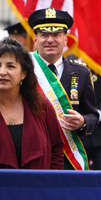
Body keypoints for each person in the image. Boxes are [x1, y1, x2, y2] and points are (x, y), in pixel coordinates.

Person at [27, 8, 99, 170]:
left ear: (66, 39)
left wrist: (83, 122)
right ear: (35, 39)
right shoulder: (23, 69)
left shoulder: (81, 72)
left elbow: (92, 116)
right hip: (33, 154)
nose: (50, 40)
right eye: (44, 35)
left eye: (56, 35)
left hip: (69, 158)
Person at [0, 38, 64, 169]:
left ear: (23, 73)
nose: (2, 72)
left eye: (10, 66)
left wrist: (48, 183)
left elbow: (56, 148)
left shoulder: (41, 105)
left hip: (36, 187)